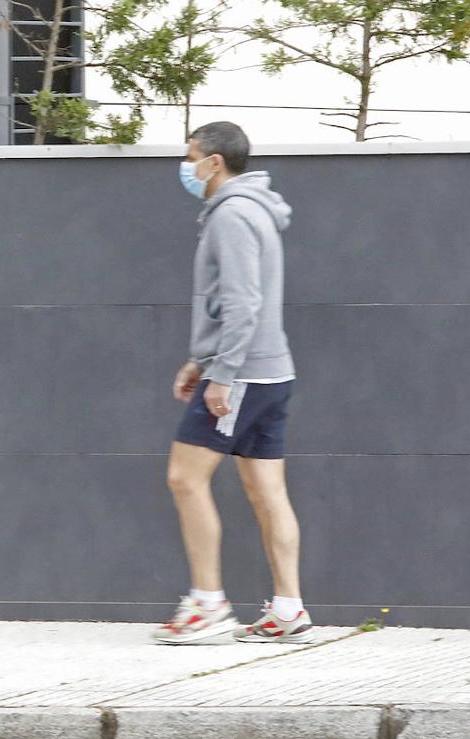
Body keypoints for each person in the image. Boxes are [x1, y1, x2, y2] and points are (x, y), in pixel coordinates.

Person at [153, 121, 314, 645]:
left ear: (214, 162)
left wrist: (220, 374)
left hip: (244, 374)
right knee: (266, 490)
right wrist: (201, 362)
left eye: (190, 156)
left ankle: (208, 605)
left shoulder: (232, 215)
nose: (187, 166)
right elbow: (234, 303)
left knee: (184, 477)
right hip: (270, 370)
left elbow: (244, 303)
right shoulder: (255, 210)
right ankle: (288, 609)